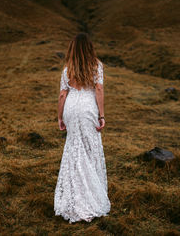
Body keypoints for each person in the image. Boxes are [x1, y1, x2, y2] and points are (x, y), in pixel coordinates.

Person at [54, 32, 111, 223]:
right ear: (89, 49)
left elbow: (63, 95)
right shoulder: (97, 66)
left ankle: (73, 194)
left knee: (74, 147)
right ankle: (90, 196)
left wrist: (60, 117)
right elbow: (99, 90)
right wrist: (101, 115)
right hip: (87, 109)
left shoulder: (66, 70)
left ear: (73, 50)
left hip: (71, 108)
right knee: (89, 148)